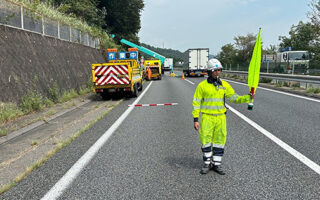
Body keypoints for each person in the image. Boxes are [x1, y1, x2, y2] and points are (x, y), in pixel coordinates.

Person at [192, 58, 255, 175]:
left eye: (219, 70)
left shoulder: (224, 85)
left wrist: (248, 97)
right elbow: (196, 103)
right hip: (207, 117)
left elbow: (234, 98)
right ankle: (207, 163)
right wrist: (196, 119)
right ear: (210, 71)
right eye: (216, 70)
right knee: (205, 140)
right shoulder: (202, 86)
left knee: (219, 141)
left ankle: (216, 164)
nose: (218, 72)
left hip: (221, 118)